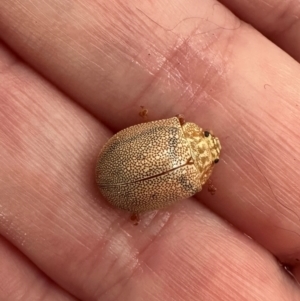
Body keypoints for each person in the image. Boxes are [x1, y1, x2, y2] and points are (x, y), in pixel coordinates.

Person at [0, 0, 300, 300]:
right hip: (119, 180)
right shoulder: (194, 181)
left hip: (115, 163)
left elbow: (145, 127)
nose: (211, 138)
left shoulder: (177, 133)